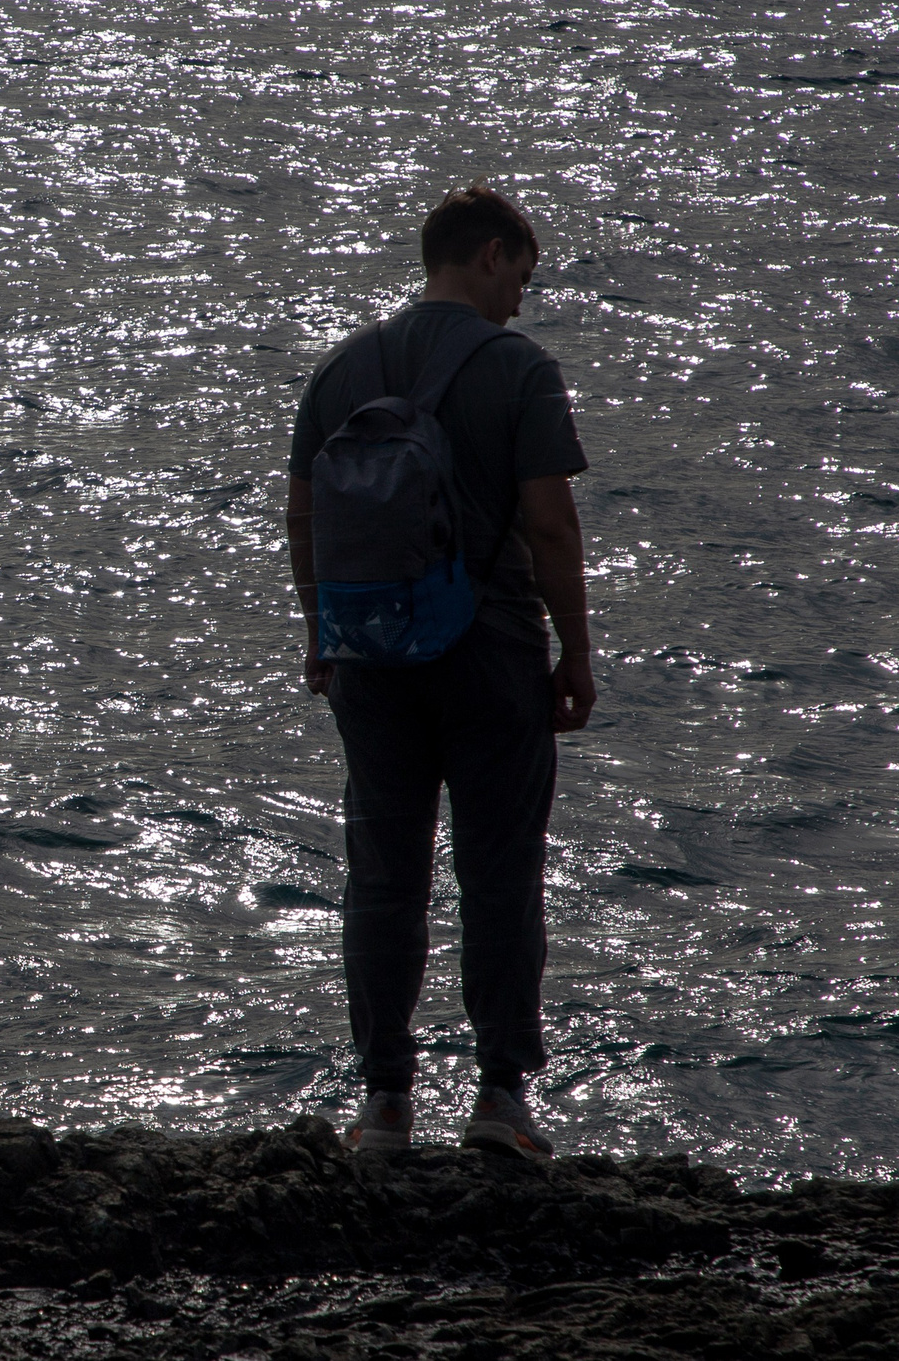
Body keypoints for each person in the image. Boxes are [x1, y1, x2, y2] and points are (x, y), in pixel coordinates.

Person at [284, 185, 595, 1159]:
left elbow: (302, 519)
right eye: (522, 278)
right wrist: (575, 653)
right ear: (492, 254)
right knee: (498, 874)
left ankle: (383, 1103)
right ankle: (499, 1099)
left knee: (383, 878)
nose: (521, 301)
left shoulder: (339, 369)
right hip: (489, 652)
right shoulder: (518, 370)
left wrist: (320, 634)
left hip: (368, 655)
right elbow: (548, 522)